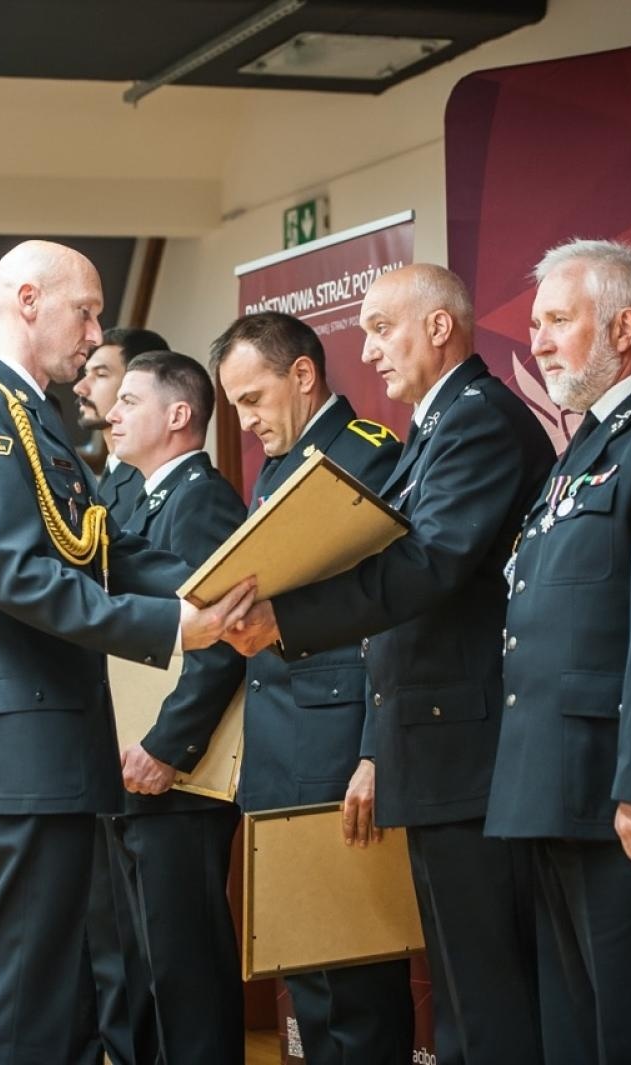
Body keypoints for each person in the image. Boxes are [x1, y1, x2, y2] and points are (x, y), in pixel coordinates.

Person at [0, 239, 250, 1064]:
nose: (97, 333)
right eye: (86, 311)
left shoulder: (31, 415)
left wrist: (226, 582)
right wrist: (176, 626)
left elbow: (99, 546)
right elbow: (22, 576)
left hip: (30, 753)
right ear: (28, 300)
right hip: (15, 756)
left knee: (5, 999)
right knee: (20, 1010)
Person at [225, 264, 557, 1065]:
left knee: (490, 1000)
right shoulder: (440, 426)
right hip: (436, 746)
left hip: (467, 747)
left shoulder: (478, 420)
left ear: (439, 326)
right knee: (464, 1000)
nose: (368, 351)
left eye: (381, 328)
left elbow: (426, 563)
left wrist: (286, 619)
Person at [484, 240, 631, 1063]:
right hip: (552, 781)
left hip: (617, 786)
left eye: (557, 320)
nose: (538, 342)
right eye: (535, 324)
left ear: (624, 327)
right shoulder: (586, 441)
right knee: (574, 1034)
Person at [208, 310, 412, 1065]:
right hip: (282, 749)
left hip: (337, 752)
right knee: (311, 980)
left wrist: (375, 751)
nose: (246, 420)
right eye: (235, 405)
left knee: (356, 985)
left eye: (253, 399)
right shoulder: (280, 463)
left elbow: (395, 615)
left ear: (302, 375)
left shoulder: (366, 456)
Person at [105, 350, 248, 1063]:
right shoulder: (138, 499)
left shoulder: (202, 500)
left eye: (129, 400)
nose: (111, 413)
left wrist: (166, 746)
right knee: (141, 970)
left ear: (178, 415)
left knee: (184, 971)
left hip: (180, 776)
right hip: (134, 767)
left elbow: (221, 640)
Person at [71, 322, 170, 1065]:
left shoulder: (188, 494)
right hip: (113, 747)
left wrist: (167, 741)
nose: (89, 391)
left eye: (108, 378)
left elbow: (204, 636)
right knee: (115, 956)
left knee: (165, 968)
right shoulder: (106, 485)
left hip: (156, 753)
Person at [76, 326, 169, 522]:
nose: (79, 388)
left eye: (101, 375)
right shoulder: (110, 472)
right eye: (86, 373)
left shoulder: (153, 480)